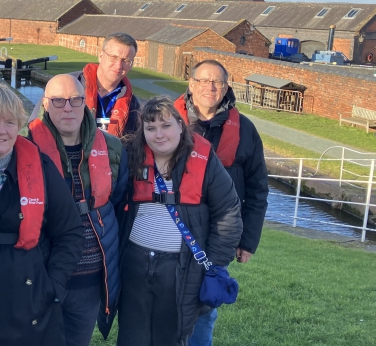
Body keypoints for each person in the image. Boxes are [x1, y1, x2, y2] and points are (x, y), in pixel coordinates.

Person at [0, 82, 83, 346]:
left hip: (25, 302)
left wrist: (53, 286)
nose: (1, 130)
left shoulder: (41, 169)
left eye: (9, 122)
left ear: (19, 125)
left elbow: (70, 233)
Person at [116, 96, 242, 346]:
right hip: (133, 263)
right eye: (151, 128)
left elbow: (228, 211)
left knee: (171, 336)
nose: (159, 134)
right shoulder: (130, 156)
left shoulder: (204, 160)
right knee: (132, 336)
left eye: (166, 126)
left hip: (180, 267)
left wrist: (215, 263)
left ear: (180, 126)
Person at [27, 74, 128, 345]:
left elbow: (117, 202)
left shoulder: (113, 148)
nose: (68, 108)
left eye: (75, 100)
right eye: (58, 101)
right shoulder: (27, 147)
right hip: (44, 273)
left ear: (85, 102)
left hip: (89, 281)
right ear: (45, 104)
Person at [174, 60, 269, 346]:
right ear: (191, 84)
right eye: (203, 80)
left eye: (217, 82)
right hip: (173, 227)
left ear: (226, 87)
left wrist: (247, 240)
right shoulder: (167, 122)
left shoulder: (245, 130)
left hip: (218, 233)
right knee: (164, 299)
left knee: (206, 301)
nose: (210, 87)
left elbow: (257, 189)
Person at [79, 32, 141, 138]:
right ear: (101, 56)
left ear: (131, 65)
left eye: (126, 60)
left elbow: (132, 143)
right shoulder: (73, 87)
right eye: (113, 57)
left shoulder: (133, 106)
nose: (119, 66)